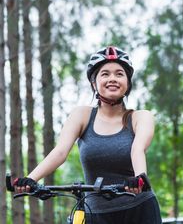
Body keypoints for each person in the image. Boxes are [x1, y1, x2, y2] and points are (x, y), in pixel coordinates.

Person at [13, 46, 162, 224]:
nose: (112, 79)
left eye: (119, 74)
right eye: (105, 74)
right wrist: (31, 179)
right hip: (95, 214)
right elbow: (60, 151)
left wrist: (140, 179)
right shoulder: (82, 115)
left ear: (128, 83)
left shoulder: (140, 117)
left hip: (139, 211)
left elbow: (137, 149)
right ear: (94, 83)